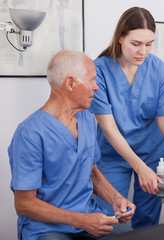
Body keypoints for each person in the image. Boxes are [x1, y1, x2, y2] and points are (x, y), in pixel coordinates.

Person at [88, 6, 164, 229]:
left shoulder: (159, 70)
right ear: (120, 37)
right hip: (113, 154)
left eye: (149, 44)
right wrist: (139, 168)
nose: (143, 51)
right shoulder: (98, 70)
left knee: (147, 223)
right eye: (136, 44)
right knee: (112, 219)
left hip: (152, 154)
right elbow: (109, 129)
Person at [8, 50, 136, 240]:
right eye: (92, 79)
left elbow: (91, 171)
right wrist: (82, 221)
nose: (97, 87)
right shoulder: (30, 133)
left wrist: (116, 199)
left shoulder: (85, 118)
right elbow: (24, 204)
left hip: (87, 217)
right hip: (47, 229)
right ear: (70, 83)